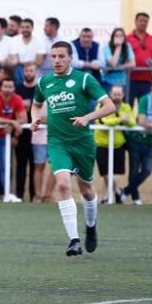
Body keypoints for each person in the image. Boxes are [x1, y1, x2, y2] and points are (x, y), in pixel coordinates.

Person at [30, 42, 115, 256]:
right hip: (57, 142)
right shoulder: (44, 82)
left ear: (70, 58)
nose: (56, 61)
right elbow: (36, 105)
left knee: (86, 189)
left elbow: (109, 106)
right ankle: (74, 240)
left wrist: (87, 118)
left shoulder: (84, 79)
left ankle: (91, 226)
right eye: (53, 57)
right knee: (62, 184)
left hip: (82, 143)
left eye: (61, 56)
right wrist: (34, 119)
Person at [122, 78, 152, 205]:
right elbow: (142, 122)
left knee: (147, 170)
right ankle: (135, 197)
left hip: (151, 142)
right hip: (136, 140)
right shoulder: (145, 99)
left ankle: (126, 191)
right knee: (133, 170)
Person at [93, 85, 134, 204]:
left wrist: (123, 120)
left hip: (118, 144)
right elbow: (103, 121)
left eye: (119, 94)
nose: (117, 97)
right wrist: (120, 120)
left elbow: (132, 122)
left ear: (123, 95)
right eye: (115, 94)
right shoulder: (101, 105)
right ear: (110, 94)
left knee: (111, 174)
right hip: (102, 144)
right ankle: (117, 191)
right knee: (105, 172)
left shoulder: (126, 106)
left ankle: (106, 197)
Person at [14, 62, 40, 201]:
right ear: (23, 72)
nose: (29, 73)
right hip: (22, 133)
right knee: (21, 165)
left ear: (35, 72)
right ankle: (19, 195)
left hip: (37, 133)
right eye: (27, 71)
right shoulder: (17, 89)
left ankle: (33, 196)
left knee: (35, 166)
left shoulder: (39, 90)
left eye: (31, 70)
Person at [126, 12, 152, 106]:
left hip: (147, 81)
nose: (143, 23)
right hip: (130, 80)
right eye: (141, 20)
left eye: (146, 21)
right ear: (135, 22)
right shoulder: (127, 38)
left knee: (145, 108)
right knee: (128, 107)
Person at [101, 28, 135, 96]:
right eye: (116, 36)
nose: (119, 38)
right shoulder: (106, 47)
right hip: (108, 82)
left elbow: (133, 64)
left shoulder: (127, 46)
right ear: (112, 37)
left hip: (122, 82)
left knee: (122, 104)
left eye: (121, 36)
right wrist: (118, 47)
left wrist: (120, 67)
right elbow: (113, 63)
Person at [10, 18, 43, 85]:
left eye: (27, 27)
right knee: (18, 69)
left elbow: (39, 62)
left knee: (32, 71)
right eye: (23, 27)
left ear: (32, 28)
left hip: (35, 69)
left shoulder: (39, 41)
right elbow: (15, 60)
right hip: (19, 70)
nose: (25, 29)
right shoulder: (14, 40)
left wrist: (27, 65)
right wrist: (28, 63)